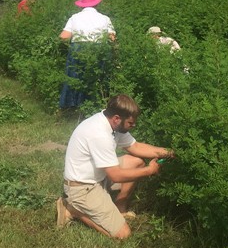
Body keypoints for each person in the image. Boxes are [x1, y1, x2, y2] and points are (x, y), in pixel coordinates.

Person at [56, 94, 175, 239]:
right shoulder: (99, 134)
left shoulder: (112, 124)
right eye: (130, 123)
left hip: (98, 178)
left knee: (136, 162)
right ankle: (73, 209)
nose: (134, 125)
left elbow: (136, 147)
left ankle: (119, 208)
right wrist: (149, 170)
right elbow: (116, 175)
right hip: (82, 188)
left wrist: (168, 152)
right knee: (123, 235)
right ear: (117, 118)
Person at [58, 0, 116, 108]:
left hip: (78, 48)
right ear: (96, 4)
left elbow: (64, 37)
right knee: (99, 77)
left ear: (81, 5)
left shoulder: (74, 18)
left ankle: (74, 105)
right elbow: (112, 38)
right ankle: (99, 103)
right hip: (99, 48)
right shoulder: (105, 18)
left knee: (75, 76)